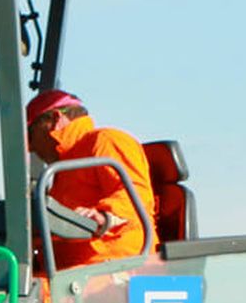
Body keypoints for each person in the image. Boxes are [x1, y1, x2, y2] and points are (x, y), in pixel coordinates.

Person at [26, 89, 155, 270]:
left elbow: (136, 196)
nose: (30, 148)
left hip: (115, 267)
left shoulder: (107, 141)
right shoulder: (65, 167)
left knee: (20, 296)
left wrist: (103, 216)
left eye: (30, 134)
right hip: (71, 273)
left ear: (55, 119)